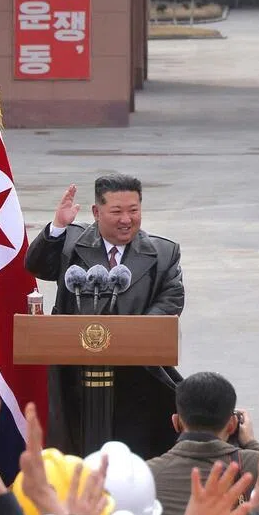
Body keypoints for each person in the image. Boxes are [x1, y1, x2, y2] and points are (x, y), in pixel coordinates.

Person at [25, 174, 184, 459]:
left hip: (137, 378)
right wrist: (58, 227)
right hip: (75, 378)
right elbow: (37, 266)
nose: (126, 219)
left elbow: (171, 300)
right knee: (76, 455)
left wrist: (128, 335)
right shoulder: (72, 243)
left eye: (133, 211)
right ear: (97, 213)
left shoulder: (163, 252)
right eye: (117, 212)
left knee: (133, 455)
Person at [147, 372, 259, 515]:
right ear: (232, 424)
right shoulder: (253, 463)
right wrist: (251, 442)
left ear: (176, 422)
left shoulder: (149, 472)